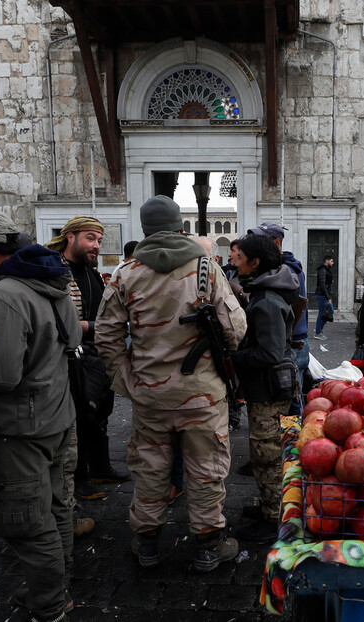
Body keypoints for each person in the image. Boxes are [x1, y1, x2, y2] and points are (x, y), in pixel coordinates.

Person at [94, 196, 246, 572]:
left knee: (150, 469)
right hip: (203, 396)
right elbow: (234, 330)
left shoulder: (124, 273)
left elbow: (107, 337)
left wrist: (128, 380)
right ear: (183, 227)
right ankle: (209, 545)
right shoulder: (208, 269)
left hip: (149, 396)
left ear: (143, 231)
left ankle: (146, 544)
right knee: (206, 468)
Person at [0, 210, 80, 622]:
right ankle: (55, 588)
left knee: (28, 519)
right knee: (57, 508)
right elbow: (74, 339)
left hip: (22, 426)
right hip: (58, 415)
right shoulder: (54, 282)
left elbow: (0, 375)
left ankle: (48, 604)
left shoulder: (3, 295)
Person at [45, 216, 129, 524]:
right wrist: (91, 327)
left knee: (101, 411)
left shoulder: (92, 273)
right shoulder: (56, 272)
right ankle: (79, 479)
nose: (96, 246)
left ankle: (102, 467)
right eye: (90, 239)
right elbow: (62, 320)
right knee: (79, 415)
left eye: (98, 240)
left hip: (95, 354)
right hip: (70, 357)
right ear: (70, 237)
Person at [229, 234, 299, 544]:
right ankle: (269, 506)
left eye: (240, 256)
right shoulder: (263, 293)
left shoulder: (268, 300)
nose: (235, 260)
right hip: (265, 389)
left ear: (255, 262)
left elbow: (269, 353)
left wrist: (234, 357)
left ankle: (274, 520)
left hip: (269, 392)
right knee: (262, 453)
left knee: (268, 455)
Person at [247, 222, 309, 421]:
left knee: (288, 404)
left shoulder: (283, 272)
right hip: (289, 341)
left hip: (290, 342)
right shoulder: (282, 270)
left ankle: (291, 445)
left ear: (276, 243)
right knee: (289, 401)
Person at [313, 254, 334, 340]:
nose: (333, 263)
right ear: (327, 261)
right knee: (323, 314)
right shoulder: (322, 270)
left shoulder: (326, 269)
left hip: (324, 295)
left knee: (329, 312)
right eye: (331, 261)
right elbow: (322, 284)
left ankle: (319, 330)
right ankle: (318, 332)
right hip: (322, 295)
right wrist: (327, 297)